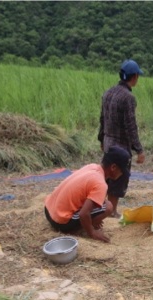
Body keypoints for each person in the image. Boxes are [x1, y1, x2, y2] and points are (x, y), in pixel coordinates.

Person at [44, 146, 130, 243]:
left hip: (48, 210)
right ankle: (90, 225)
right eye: (122, 170)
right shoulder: (100, 184)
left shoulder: (91, 167)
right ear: (113, 167)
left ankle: (90, 222)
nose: (122, 173)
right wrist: (92, 232)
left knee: (101, 201)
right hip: (60, 222)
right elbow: (83, 214)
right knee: (108, 207)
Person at [98, 59, 146, 217]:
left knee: (106, 175)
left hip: (108, 141)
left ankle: (100, 205)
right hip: (120, 145)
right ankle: (112, 211)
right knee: (119, 178)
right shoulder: (128, 98)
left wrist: (101, 138)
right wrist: (139, 149)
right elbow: (130, 126)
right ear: (134, 77)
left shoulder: (108, 93)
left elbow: (102, 119)